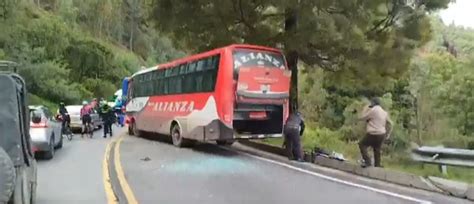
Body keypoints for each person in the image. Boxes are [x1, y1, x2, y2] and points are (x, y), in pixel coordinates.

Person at [358, 97, 393, 168]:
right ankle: (377, 165)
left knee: (362, 144)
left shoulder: (373, 110)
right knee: (377, 149)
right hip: (382, 134)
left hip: (373, 133)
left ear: (373, 103)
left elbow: (362, 117)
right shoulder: (384, 112)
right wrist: (388, 134)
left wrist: (365, 109)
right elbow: (391, 123)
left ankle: (367, 161)